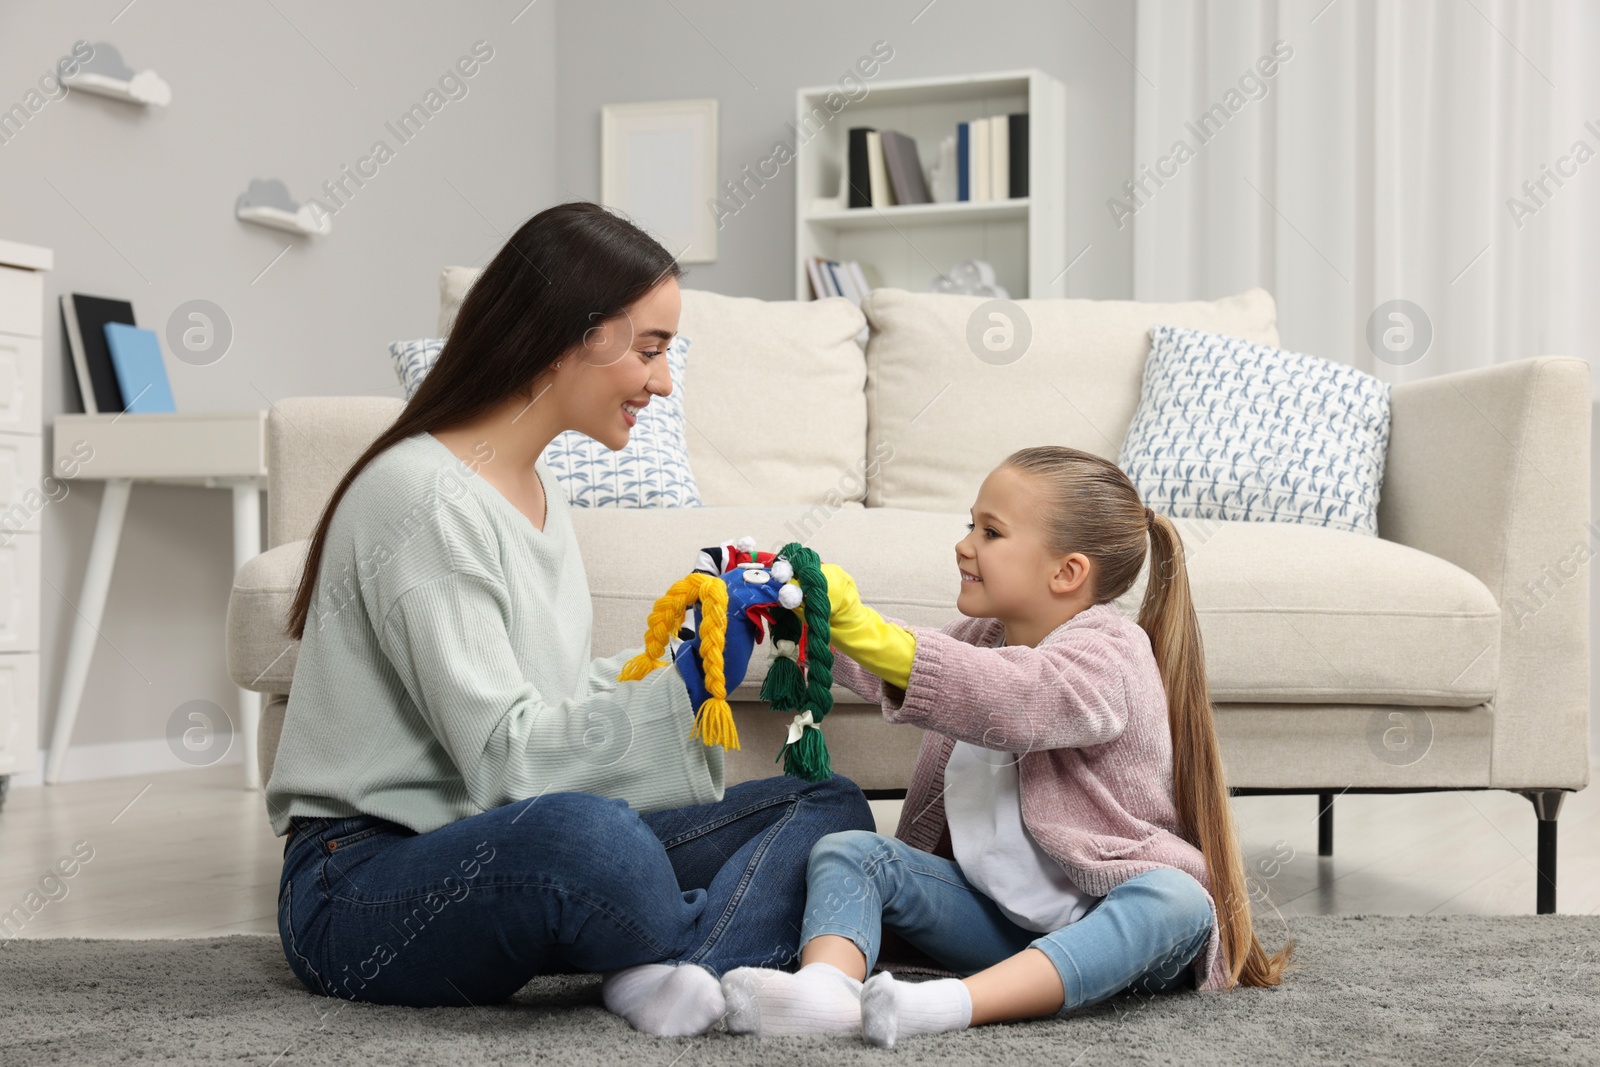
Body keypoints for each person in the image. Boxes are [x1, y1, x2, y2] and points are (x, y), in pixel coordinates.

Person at [264, 201, 875, 1036]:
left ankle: (675, 971)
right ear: (568, 333)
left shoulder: (536, 493)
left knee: (824, 805)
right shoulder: (419, 496)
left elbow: (550, 690)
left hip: (492, 836)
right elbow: (507, 755)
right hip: (362, 879)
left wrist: (691, 663)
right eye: (653, 349)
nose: (663, 382)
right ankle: (706, 938)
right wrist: (692, 680)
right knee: (591, 843)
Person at [710, 446, 1294, 1046]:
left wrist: (865, 627)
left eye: (990, 532)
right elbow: (901, 669)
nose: (965, 544)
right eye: (971, 524)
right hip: (999, 924)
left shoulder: (1113, 653)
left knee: (1179, 898)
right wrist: (799, 611)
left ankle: (951, 1004)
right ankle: (827, 993)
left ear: (1067, 572)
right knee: (851, 851)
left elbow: (1014, 698)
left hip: (1110, 924)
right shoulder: (987, 635)